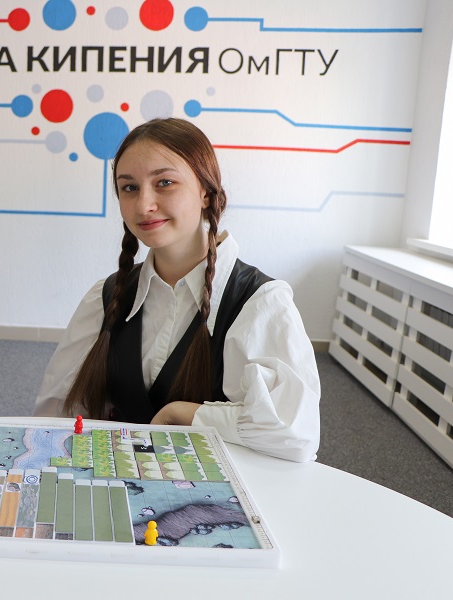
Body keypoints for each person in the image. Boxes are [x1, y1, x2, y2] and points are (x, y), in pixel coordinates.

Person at [34, 118, 320, 462]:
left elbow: (296, 434)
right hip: (118, 478)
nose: (144, 205)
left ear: (206, 192)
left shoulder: (258, 301)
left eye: (165, 183)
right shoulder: (107, 296)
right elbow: (55, 415)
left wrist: (183, 414)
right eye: (129, 187)